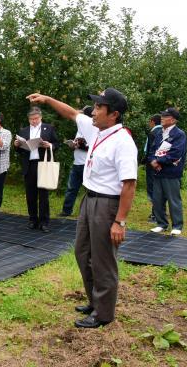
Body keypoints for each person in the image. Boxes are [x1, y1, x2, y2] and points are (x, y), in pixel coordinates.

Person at [27, 88, 137, 329]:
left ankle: (104, 314)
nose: (94, 111)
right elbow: (71, 114)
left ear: (114, 114)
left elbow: (129, 184)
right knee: (82, 252)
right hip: (89, 199)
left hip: (107, 204)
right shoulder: (97, 129)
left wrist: (120, 221)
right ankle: (95, 301)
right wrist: (46, 99)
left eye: (99, 107)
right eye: (95, 106)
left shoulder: (123, 142)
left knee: (103, 259)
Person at [14, 107, 59, 232]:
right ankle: (32, 219)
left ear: (40, 117)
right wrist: (17, 145)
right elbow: (19, 150)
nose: (34, 121)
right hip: (29, 165)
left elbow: (56, 144)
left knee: (43, 194)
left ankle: (44, 222)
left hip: (42, 164)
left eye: (36, 119)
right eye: (31, 119)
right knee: (30, 194)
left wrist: (49, 145)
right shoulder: (23, 131)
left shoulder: (48, 128)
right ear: (28, 119)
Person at [148, 107, 187, 236]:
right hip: (158, 172)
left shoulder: (179, 134)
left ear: (173, 120)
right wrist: (153, 161)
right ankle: (161, 224)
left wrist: (159, 162)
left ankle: (177, 225)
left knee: (173, 199)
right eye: (162, 116)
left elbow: (176, 153)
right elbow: (152, 150)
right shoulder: (159, 133)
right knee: (157, 199)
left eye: (165, 116)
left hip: (171, 172)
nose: (162, 118)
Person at [59, 106, 93, 217]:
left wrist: (81, 145)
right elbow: (78, 144)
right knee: (71, 188)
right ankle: (66, 211)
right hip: (77, 162)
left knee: (89, 190)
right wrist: (73, 145)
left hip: (86, 164)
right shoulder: (80, 129)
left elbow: (93, 147)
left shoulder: (93, 129)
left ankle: (88, 212)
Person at [142, 114, 162, 223]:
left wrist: (145, 160)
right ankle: (159, 212)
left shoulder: (153, 133)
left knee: (153, 188)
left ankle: (155, 214)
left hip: (152, 164)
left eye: (149, 121)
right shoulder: (164, 131)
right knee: (160, 188)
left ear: (152, 121)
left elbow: (149, 150)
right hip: (161, 164)